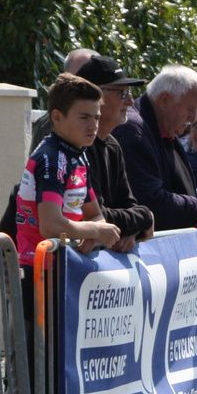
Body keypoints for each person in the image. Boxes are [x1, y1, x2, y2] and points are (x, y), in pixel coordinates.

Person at [0, 73, 122, 394]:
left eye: (97, 116)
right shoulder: (50, 158)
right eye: (84, 117)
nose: (93, 125)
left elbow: (91, 214)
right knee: (28, 384)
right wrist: (94, 231)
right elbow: (49, 222)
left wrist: (96, 232)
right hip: (32, 279)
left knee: (50, 383)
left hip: (61, 281)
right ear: (57, 117)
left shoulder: (79, 157)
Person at [114, 66, 197, 232]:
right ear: (164, 100)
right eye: (190, 109)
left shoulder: (164, 130)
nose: (193, 118)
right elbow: (152, 202)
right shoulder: (132, 130)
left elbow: (180, 190)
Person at [73, 55, 152, 249]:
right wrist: (145, 218)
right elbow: (95, 215)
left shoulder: (112, 146)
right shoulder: (73, 148)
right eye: (122, 93)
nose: (131, 102)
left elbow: (128, 205)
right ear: (95, 96)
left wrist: (131, 228)